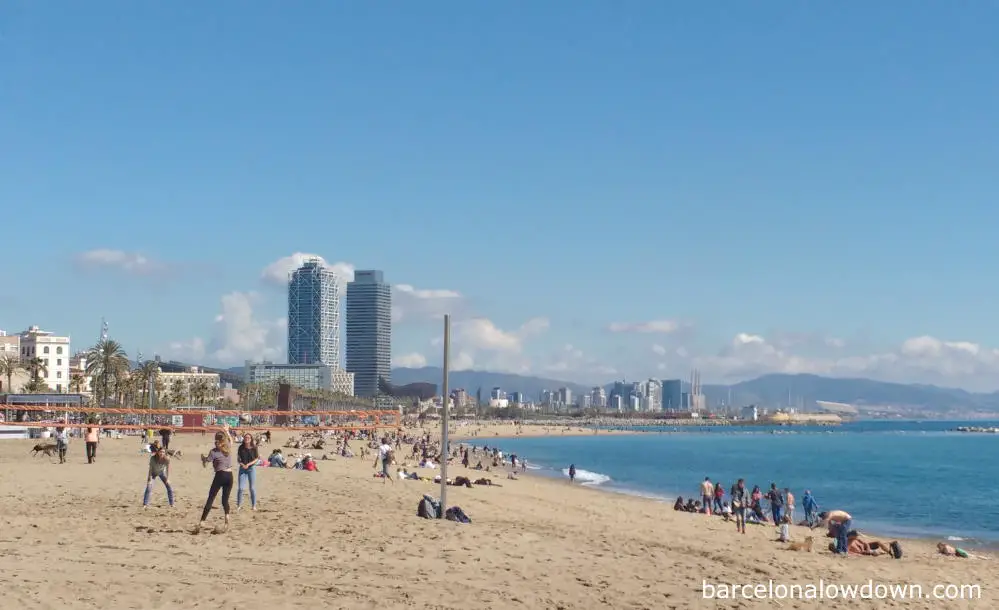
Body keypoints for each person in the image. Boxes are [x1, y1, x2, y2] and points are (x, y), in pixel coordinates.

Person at [197, 429, 233, 532]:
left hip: (220, 475)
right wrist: (227, 431)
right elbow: (230, 440)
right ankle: (227, 518)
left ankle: (202, 521)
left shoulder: (213, 451)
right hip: (230, 475)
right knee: (225, 500)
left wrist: (203, 459)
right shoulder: (228, 447)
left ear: (216, 440)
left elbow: (205, 464)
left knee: (211, 498)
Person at [236, 433, 259, 511]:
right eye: (245, 437)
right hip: (242, 469)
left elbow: (256, 459)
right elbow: (238, 459)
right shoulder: (241, 447)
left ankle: (254, 505)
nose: (247, 438)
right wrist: (242, 464)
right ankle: (239, 505)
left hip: (251, 469)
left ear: (251, 439)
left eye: (248, 437)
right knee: (241, 488)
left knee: (252, 488)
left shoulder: (254, 447)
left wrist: (248, 464)